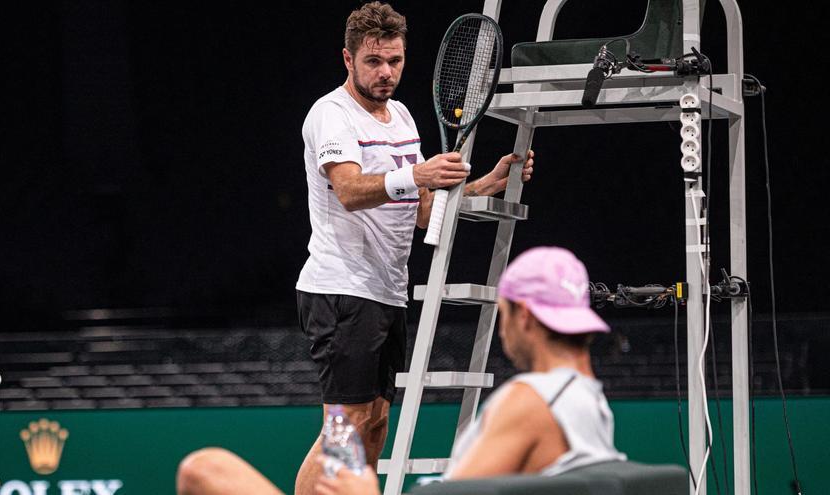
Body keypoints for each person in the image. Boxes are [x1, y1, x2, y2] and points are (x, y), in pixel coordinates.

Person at [291, 2, 533, 495]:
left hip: (387, 293)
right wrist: (416, 175)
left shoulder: (400, 116)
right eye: (373, 61)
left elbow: (422, 209)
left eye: (395, 61)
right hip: (340, 290)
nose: (385, 73)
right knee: (345, 428)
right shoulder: (330, 114)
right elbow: (351, 191)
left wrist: (487, 183)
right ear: (347, 59)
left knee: (376, 422)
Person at [177, 247, 625, 495]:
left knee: (205, 469)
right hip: (355, 301)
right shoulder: (591, 400)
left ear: (524, 316)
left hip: (352, 300)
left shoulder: (530, 401)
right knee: (349, 427)